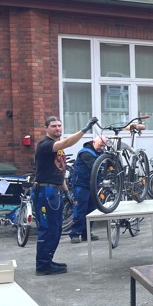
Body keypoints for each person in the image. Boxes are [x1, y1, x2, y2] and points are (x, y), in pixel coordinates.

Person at [34, 115, 97, 275]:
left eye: (59, 126)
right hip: (45, 191)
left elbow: (59, 172)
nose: (57, 129)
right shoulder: (45, 145)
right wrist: (85, 129)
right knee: (47, 228)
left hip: (55, 190)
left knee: (56, 229)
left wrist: (66, 192)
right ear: (46, 128)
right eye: (54, 126)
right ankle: (42, 265)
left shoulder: (57, 149)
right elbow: (65, 142)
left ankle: (48, 260)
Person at [68, 135, 106, 244]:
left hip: (93, 186)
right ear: (94, 142)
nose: (102, 148)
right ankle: (75, 234)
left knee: (92, 210)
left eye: (104, 146)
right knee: (80, 209)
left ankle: (86, 233)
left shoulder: (101, 152)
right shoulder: (85, 152)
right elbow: (94, 165)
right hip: (81, 185)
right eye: (100, 145)